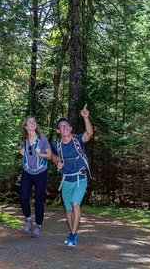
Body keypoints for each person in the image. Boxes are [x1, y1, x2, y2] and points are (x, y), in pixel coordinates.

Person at [51, 104, 93, 247]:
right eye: (61, 126)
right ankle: (71, 233)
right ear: (59, 131)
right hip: (66, 180)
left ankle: (73, 235)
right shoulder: (56, 145)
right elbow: (53, 156)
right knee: (69, 211)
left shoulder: (78, 140)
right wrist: (57, 162)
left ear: (70, 128)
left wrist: (86, 118)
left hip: (80, 178)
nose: (64, 127)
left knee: (75, 204)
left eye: (66, 125)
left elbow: (89, 133)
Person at [18, 117, 52, 238]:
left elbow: (49, 155)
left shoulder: (42, 138)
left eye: (34, 122)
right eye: (29, 122)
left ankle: (38, 226)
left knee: (38, 200)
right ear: (26, 126)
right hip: (27, 171)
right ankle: (28, 221)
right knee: (23, 197)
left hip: (41, 172)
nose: (32, 124)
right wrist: (21, 151)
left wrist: (40, 153)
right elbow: (21, 151)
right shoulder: (23, 139)